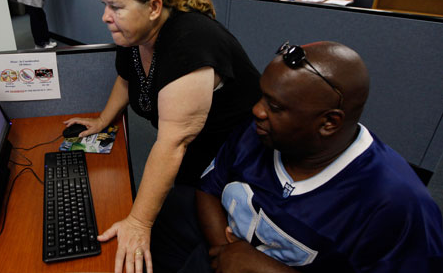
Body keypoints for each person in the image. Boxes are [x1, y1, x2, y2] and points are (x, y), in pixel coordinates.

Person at [151, 41, 443, 272]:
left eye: (275, 106)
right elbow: (210, 188)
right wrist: (226, 253)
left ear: (329, 123)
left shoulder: (398, 205)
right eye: (262, 96)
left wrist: (263, 268)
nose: (258, 110)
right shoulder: (258, 132)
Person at [64, 0, 261, 273]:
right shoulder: (136, 36)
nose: (105, 16)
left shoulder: (190, 42)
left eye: (116, 6)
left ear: (154, 7)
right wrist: (102, 120)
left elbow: (173, 143)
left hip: (237, 165)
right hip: (196, 156)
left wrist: (138, 223)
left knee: (179, 238)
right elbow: (128, 80)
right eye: (104, 5)